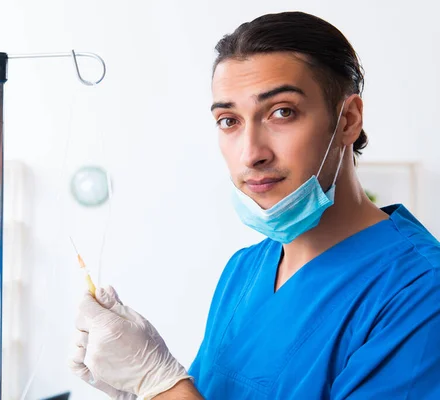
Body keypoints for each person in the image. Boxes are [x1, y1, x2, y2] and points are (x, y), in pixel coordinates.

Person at [69, 11, 440, 400]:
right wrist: (136, 389)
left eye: (282, 112)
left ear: (347, 120)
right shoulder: (244, 270)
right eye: (229, 121)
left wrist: (157, 383)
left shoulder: (420, 294)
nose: (251, 153)